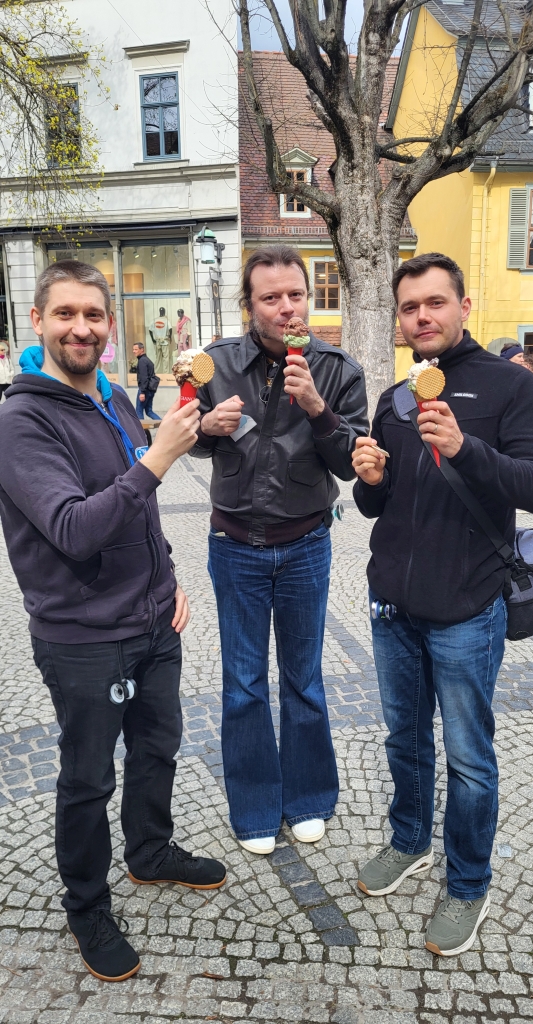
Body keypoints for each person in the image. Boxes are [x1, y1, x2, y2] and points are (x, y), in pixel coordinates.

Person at [0, 261, 226, 983]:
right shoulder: (19, 422)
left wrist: (168, 575)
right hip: (83, 637)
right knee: (88, 777)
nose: (82, 328)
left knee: (158, 747)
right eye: (65, 314)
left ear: (109, 324)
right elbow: (71, 528)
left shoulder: (117, 398)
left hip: (153, 622)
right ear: (37, 321)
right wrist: (158, 460)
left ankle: (149, 851)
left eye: (93, 316)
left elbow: (140, 509)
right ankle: (87, 903)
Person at [352, 252, 533, 957]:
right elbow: (376, 505)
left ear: (462, 307)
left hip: (467, 609)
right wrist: (369, 478)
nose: (421, 317)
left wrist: (466, 448)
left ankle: (468, 880)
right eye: (409, 308)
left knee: (468, 757)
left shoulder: (511, 387)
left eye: (434, 303)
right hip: (392, 607)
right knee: (402, 740)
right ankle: (408, 841)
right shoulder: (395, 397)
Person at [190, 245, 368, 855]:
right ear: (249, 306)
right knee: (242, 683)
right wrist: (205, 433)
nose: (287, 307)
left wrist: (317, 408)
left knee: (304, 679)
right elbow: (189, 439)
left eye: (297, 294)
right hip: (235, 545)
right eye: (271, 297)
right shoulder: (215, 365)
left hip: (305, 545)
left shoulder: (339, 369)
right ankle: (256, 806)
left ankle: (310, 797)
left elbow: (354, 463)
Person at [133, 341, 160, 421]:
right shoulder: (147, 360)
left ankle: (141, 432)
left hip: (145, 390)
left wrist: (142, 392)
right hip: (150, 390)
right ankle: (163, 424)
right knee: (149, 411)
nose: (134, 351)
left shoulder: (142, 361)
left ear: (142, 350)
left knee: (139, 411)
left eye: (136, 349)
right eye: (133, 349)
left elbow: (144, 378)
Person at [149, 307, 173, 373]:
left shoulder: (155, 320)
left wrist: (153, 339)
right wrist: (170, 337)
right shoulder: (166, 320)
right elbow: (170, 329)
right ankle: (159, 372)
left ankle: (158, 372)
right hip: (162, 341)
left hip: (161, 341)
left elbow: (150, 330)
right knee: (163, 358)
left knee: (160, 358)